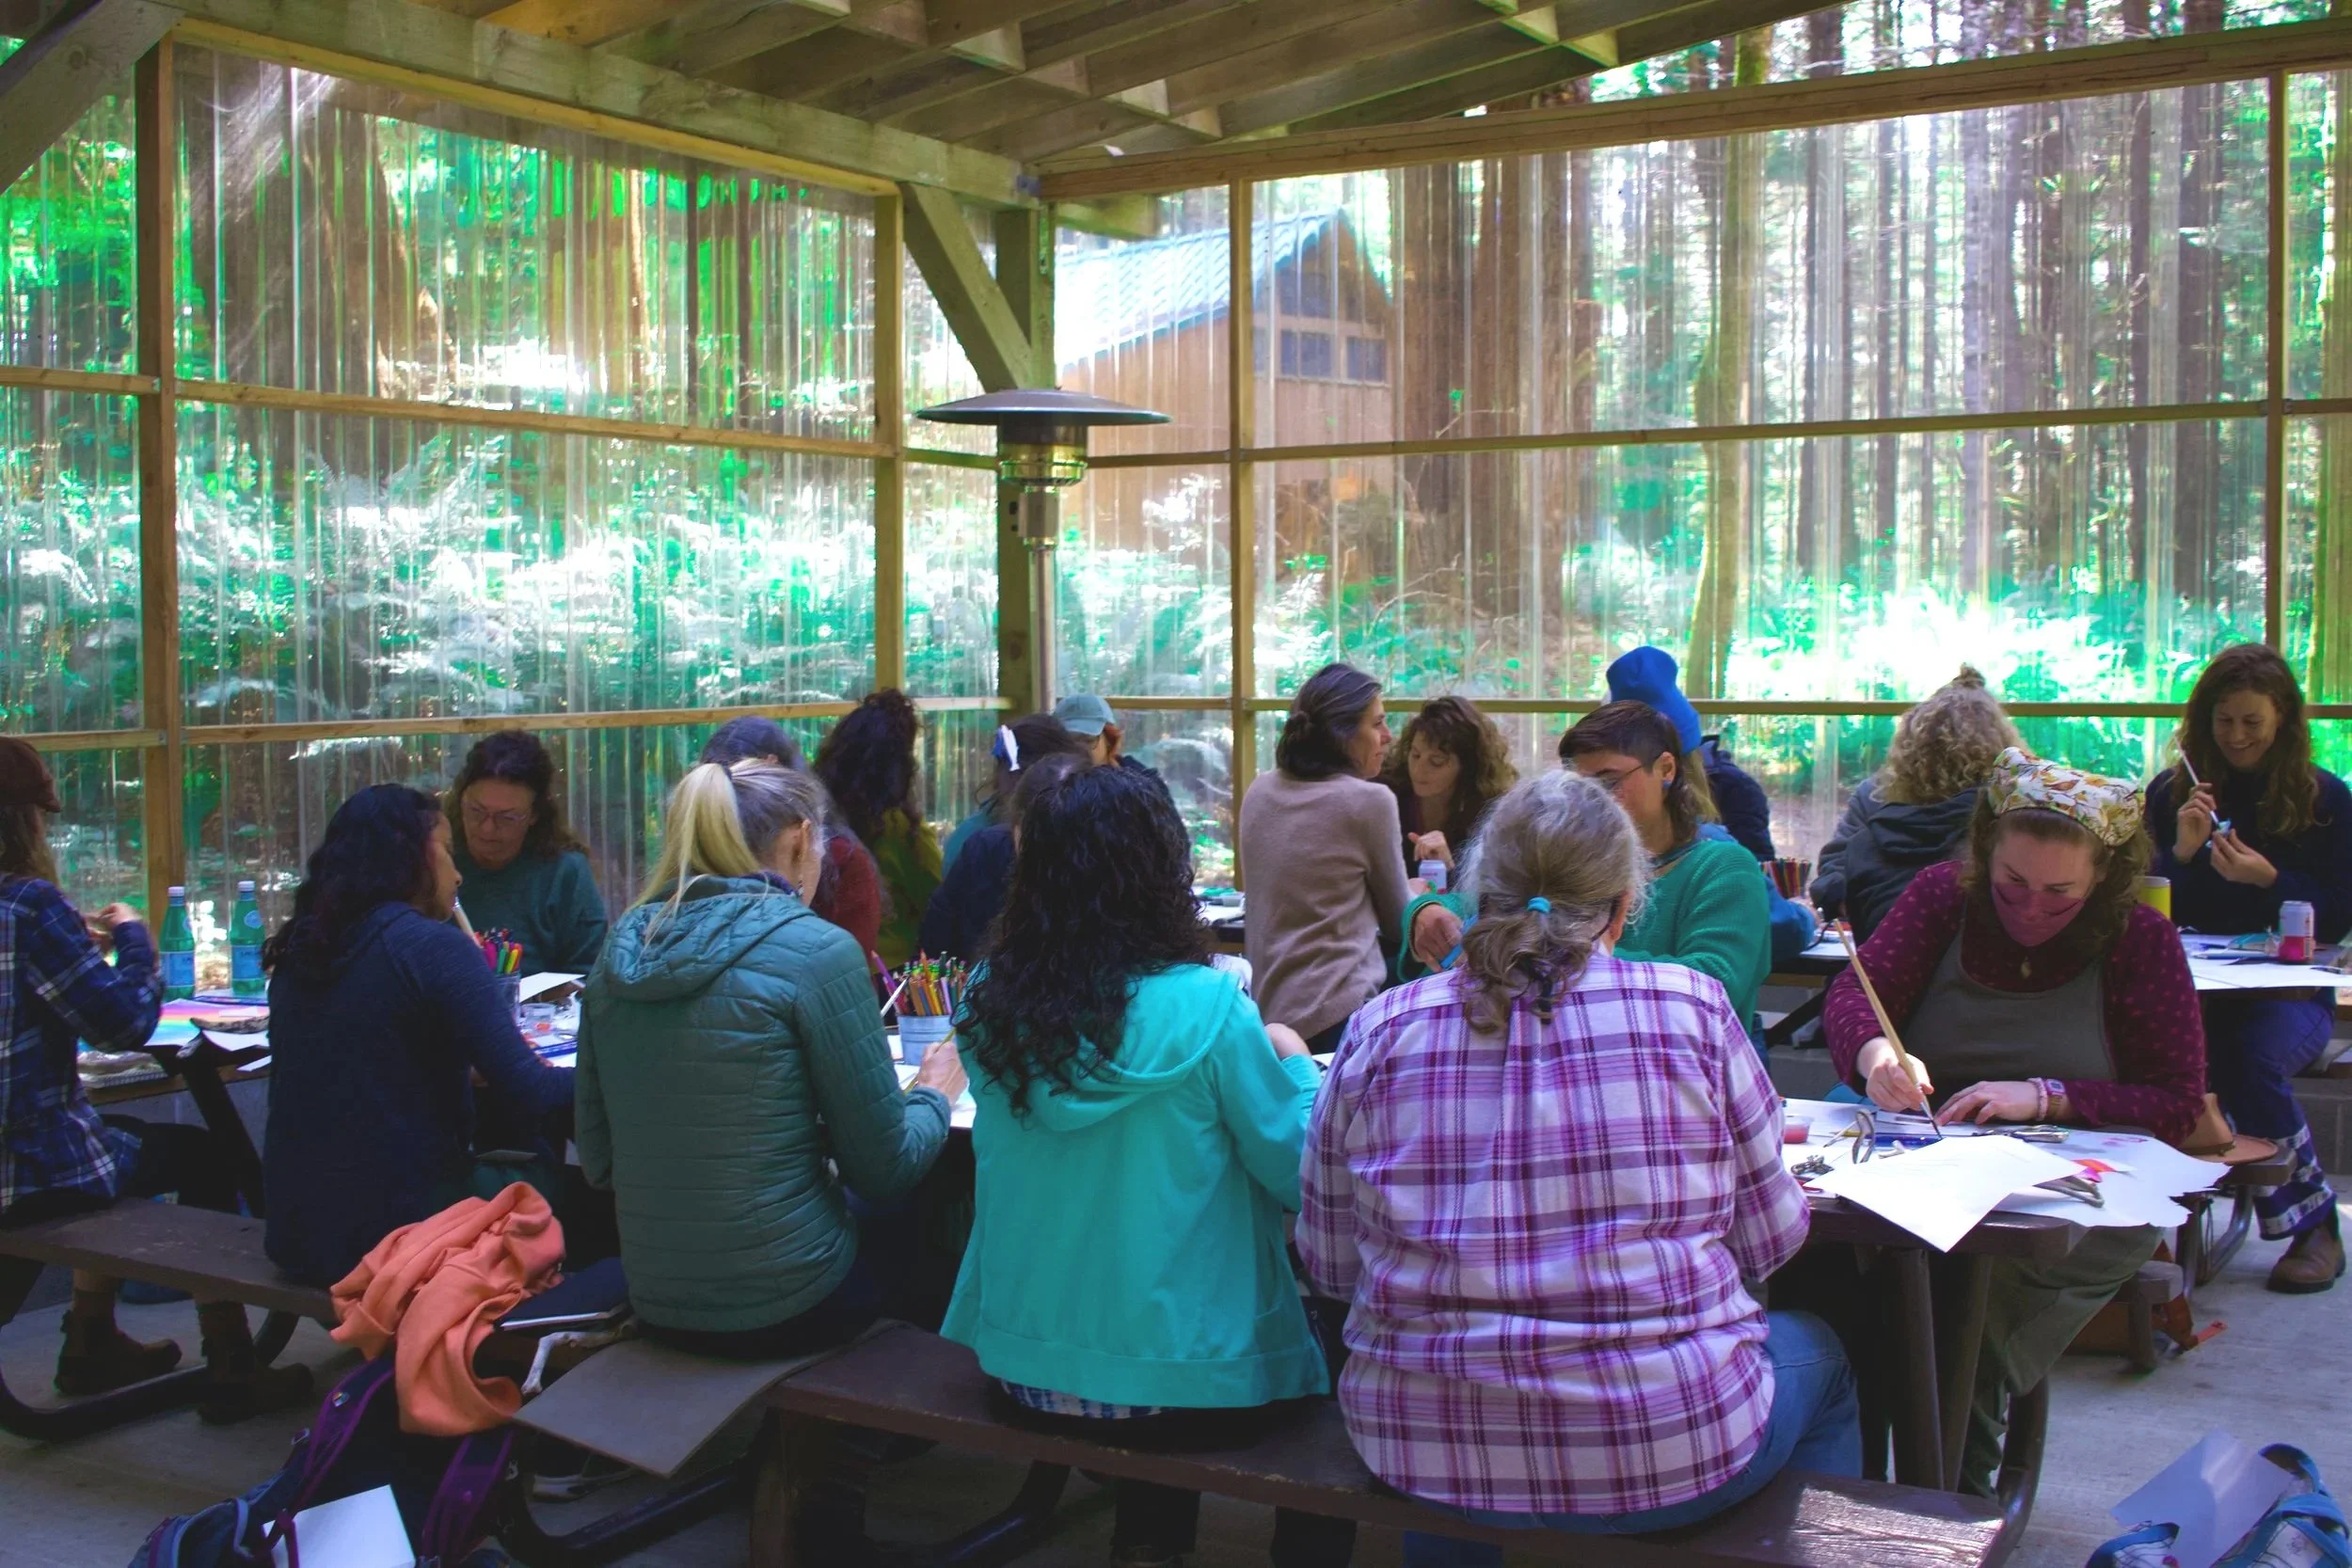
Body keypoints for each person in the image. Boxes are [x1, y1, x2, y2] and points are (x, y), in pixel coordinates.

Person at [1301, 771, 1853, 1566]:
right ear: (1627, 904)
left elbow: (1330, 1262)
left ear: (1479, 893)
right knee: (1824, 1358)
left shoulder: (1382, 1027)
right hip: (1669, 1446)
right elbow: (1772, 1242)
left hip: (1416, 1444)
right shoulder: (1693, 1010)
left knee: (1449, 1414)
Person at [947, 763, 1351, 1568]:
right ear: (1161, 870)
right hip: (1193, 1382)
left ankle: (1147, 1544)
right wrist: (1298, 1065)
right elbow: (1297, 1175)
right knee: (1337, 1371)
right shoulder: (1208, 1007)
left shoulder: (987, 997)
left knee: (1154, 1327)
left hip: (1023, 1363)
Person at [1825, 748, 2204, 1493]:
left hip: (2082, 1194)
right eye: (2012, 885)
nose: (2031, 909)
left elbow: (2179, 1102)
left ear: (2106, 876)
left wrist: (2049, 1094)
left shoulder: (2138, 938)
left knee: (1971, 1312)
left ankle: (1949, 1503)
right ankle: (1847, 1493)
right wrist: (1877, 1059)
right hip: (1931, 1165)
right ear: (1982, 856)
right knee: (1831, 1286)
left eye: (2060, 893)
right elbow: (1854, 994)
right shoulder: (1943, 897)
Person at [576, 759, 962, 1354]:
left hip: (658, 1293)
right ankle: (895, 1430)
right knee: (939, 1203)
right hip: (789, 1301)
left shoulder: (620, 951)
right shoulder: (816, 951)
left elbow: (598, 1162)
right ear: (801, 838)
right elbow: (885, 1169)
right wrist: (936, 1090)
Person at [0, 739, 310, 1422]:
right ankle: (233, 1366)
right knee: (199, 1153)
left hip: (19, 1160)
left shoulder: (29, 917)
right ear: (27, 823)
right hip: (29, 1171)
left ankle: (90, 1342)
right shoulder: (28, 905)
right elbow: (125, 1023)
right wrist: (135, 938)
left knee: (123, 1138)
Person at [265, 784, 576, 1288]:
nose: (457, 873)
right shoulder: (434, 947)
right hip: (400, 1238)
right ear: (410, 856)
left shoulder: (302, 948)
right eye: (448, 851)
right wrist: (624, 1073)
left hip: (298, 1235)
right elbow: (534, 1093)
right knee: (595, 1205)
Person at [2149, 644, 2352, 1292]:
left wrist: (2272, 881)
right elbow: (2139, 910)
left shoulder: (2326, 799)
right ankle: (2139, 1225)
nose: (2236, 736)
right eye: (2223, 721)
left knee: (2244, 1056)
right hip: (2191, 992)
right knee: (2143, 1052)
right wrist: (2178, 855)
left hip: (2291, 995)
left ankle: (2313, 1223)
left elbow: (2341, 914)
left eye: (2251, 723)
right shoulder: (2171, 794)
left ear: (2282, 722)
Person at [1236, 663, 1409, 1052]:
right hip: (1341, 1013)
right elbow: (1401, 924)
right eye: (1377, 724)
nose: (1388, 736)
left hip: (1266, 1018)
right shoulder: (1369, 802)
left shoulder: (1260, 791)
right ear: (1343, 735)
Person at [1812, 666, 2021, 942]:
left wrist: (1875, 911)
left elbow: (1831, 875)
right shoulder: (2013, 800)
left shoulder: (1876, 796)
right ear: (2001, 742)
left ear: (1910, 745)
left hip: (1881, 956)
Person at [702, 716, 883, 970]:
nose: (727, 798)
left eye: (745, 782)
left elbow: (844, 974)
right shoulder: (703, 853)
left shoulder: (842, 859)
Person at [919, 722, 1091, 963]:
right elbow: (937, 948)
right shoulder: (982, 851)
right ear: (1016, 821)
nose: (1045, 853)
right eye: (1034, 836)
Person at [445, 731, 609, 974]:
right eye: (476, 811)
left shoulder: (564, 873)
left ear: (534, 815)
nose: (488, 828)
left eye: (507, 817)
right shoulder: (438, 861)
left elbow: (589, 973)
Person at [815, 690, 940, 969]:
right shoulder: (902, 831)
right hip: (887, 972)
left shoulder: (814, 814)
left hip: (828, 965)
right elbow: (937, 899)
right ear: (902, 765)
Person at [1603, 645, 1760, 856]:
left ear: (1667, 769)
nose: (1608, 794)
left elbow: (1758, 869)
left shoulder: (1734, 791)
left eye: (1612, 780)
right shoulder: (1602, 843)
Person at [1377, 695, 1517, 878]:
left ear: (1467, 767)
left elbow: (1493, 889)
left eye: (1436, 762)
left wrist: (1449, 867)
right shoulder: (1388, 795)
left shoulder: (1489, 812)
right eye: (1415, 755)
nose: (1419, 770)